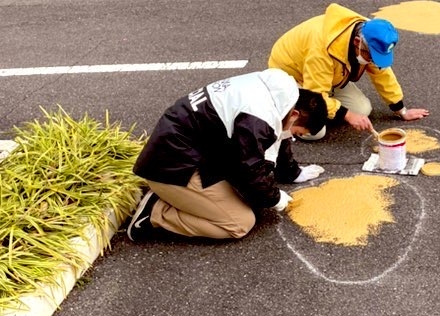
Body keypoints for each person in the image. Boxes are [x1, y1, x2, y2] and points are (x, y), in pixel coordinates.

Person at [127, 68, 327, 243]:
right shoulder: (258, 117)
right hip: (170, 168)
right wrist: (274, 198)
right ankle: (155, 213)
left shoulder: (276, 93)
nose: (292, 137)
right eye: (298, 132)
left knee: (250, 198)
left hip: (187, 152)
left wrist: (292, 173)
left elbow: (275, 140)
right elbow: (249, 167)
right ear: (295, 115)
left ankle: (181, 198)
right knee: (240, 223)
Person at [267, 3, 429, 139]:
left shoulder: (370, 35)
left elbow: (383, 73)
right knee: (315, 132)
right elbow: (314, 93)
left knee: (362, 109)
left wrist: (401, 110)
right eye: (371, 56)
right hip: (291, 76)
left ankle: (330, 107)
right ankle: (283, 111)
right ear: (357, 42)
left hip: (327, 76)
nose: (373, 61)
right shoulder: (322, 47)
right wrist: (347, 115)